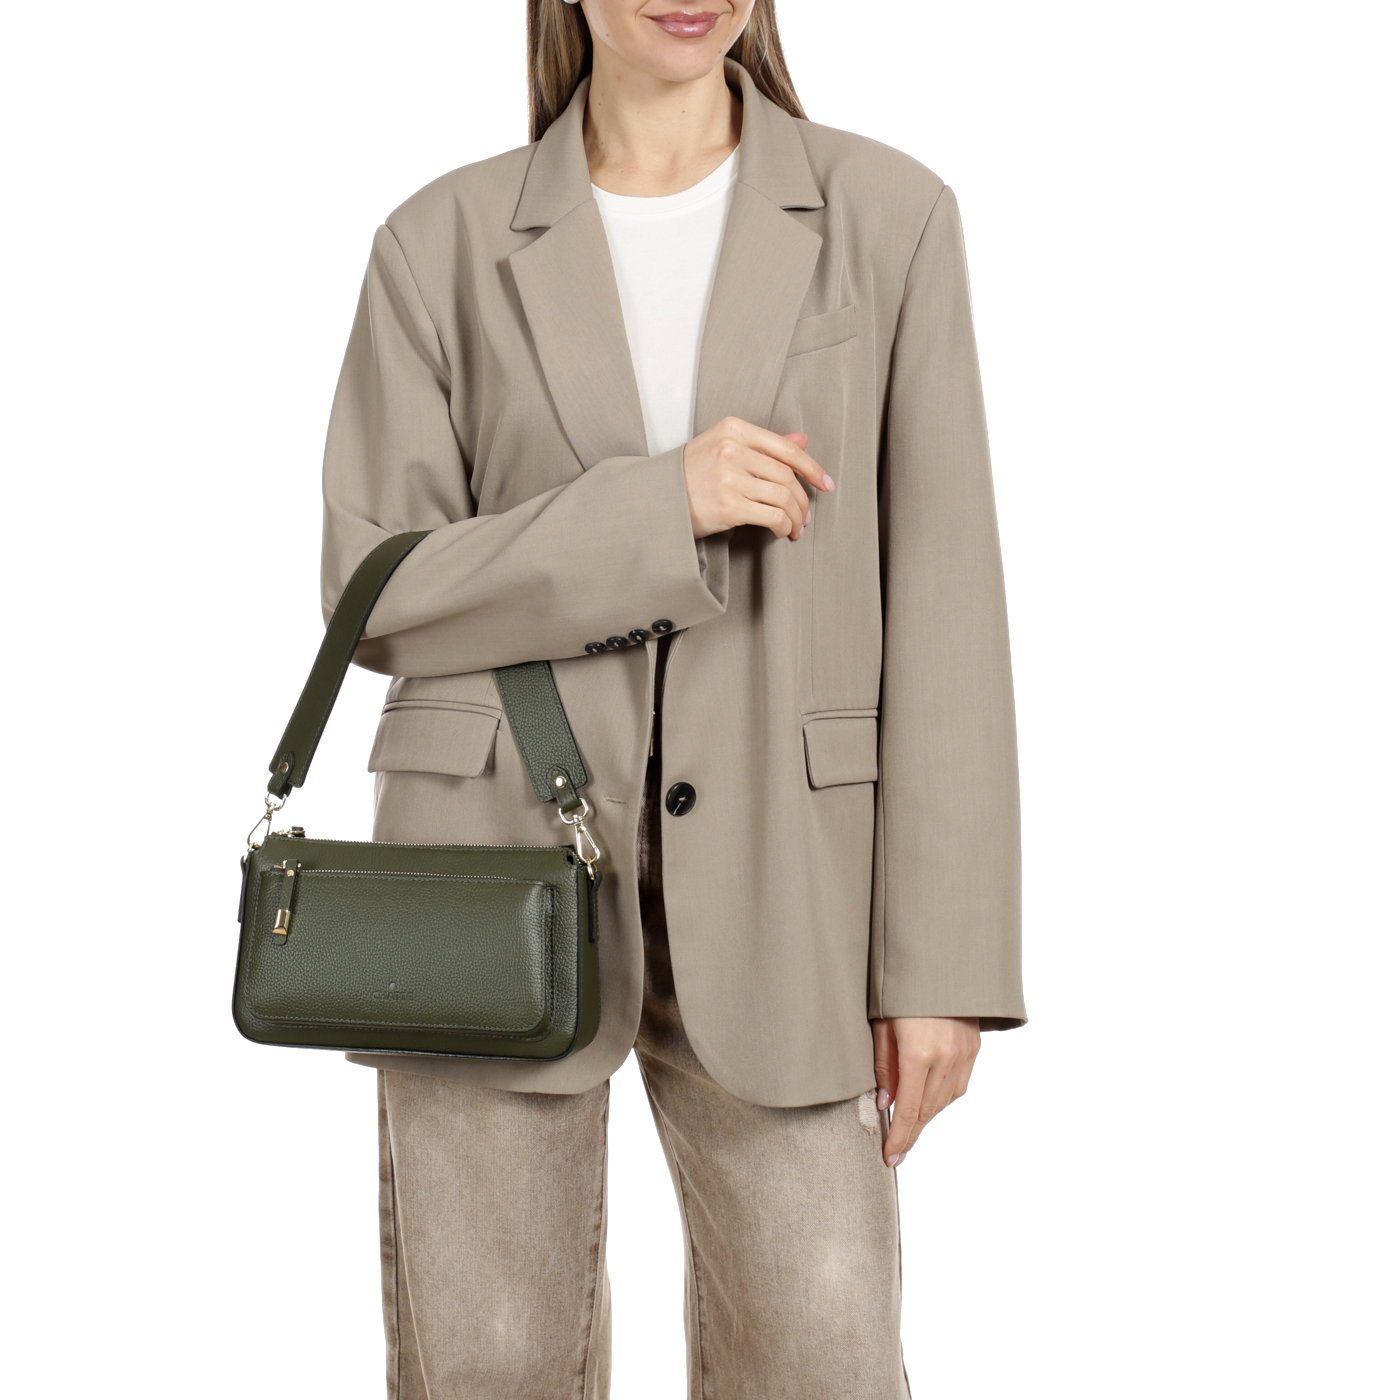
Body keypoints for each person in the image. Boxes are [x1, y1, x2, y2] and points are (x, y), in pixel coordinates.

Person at [319, 2, 1024, 1395]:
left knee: (824, 1353)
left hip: (794, 873)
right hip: (488, 866)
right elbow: (376, 590)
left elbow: (948, 604)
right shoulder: (436, 242)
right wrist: (663, 507)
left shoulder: (890, 217)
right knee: (490, 1364)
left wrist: (944, 965)